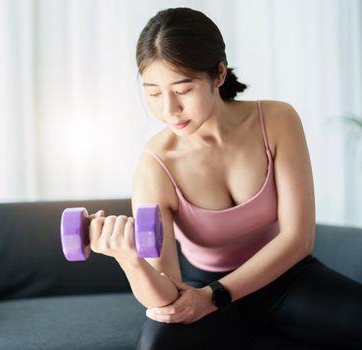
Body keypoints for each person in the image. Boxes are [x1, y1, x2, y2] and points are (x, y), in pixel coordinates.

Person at [86, 6, 362, 350]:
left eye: (182, 90)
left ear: (218, 73)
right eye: (154, 92)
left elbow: (298, 238)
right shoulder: (155, 165)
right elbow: (164, 297)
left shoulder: (277, 120)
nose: (168, 109)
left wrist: (215, 296)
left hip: (288, 278)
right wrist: (130, 260)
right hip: (203, 284)